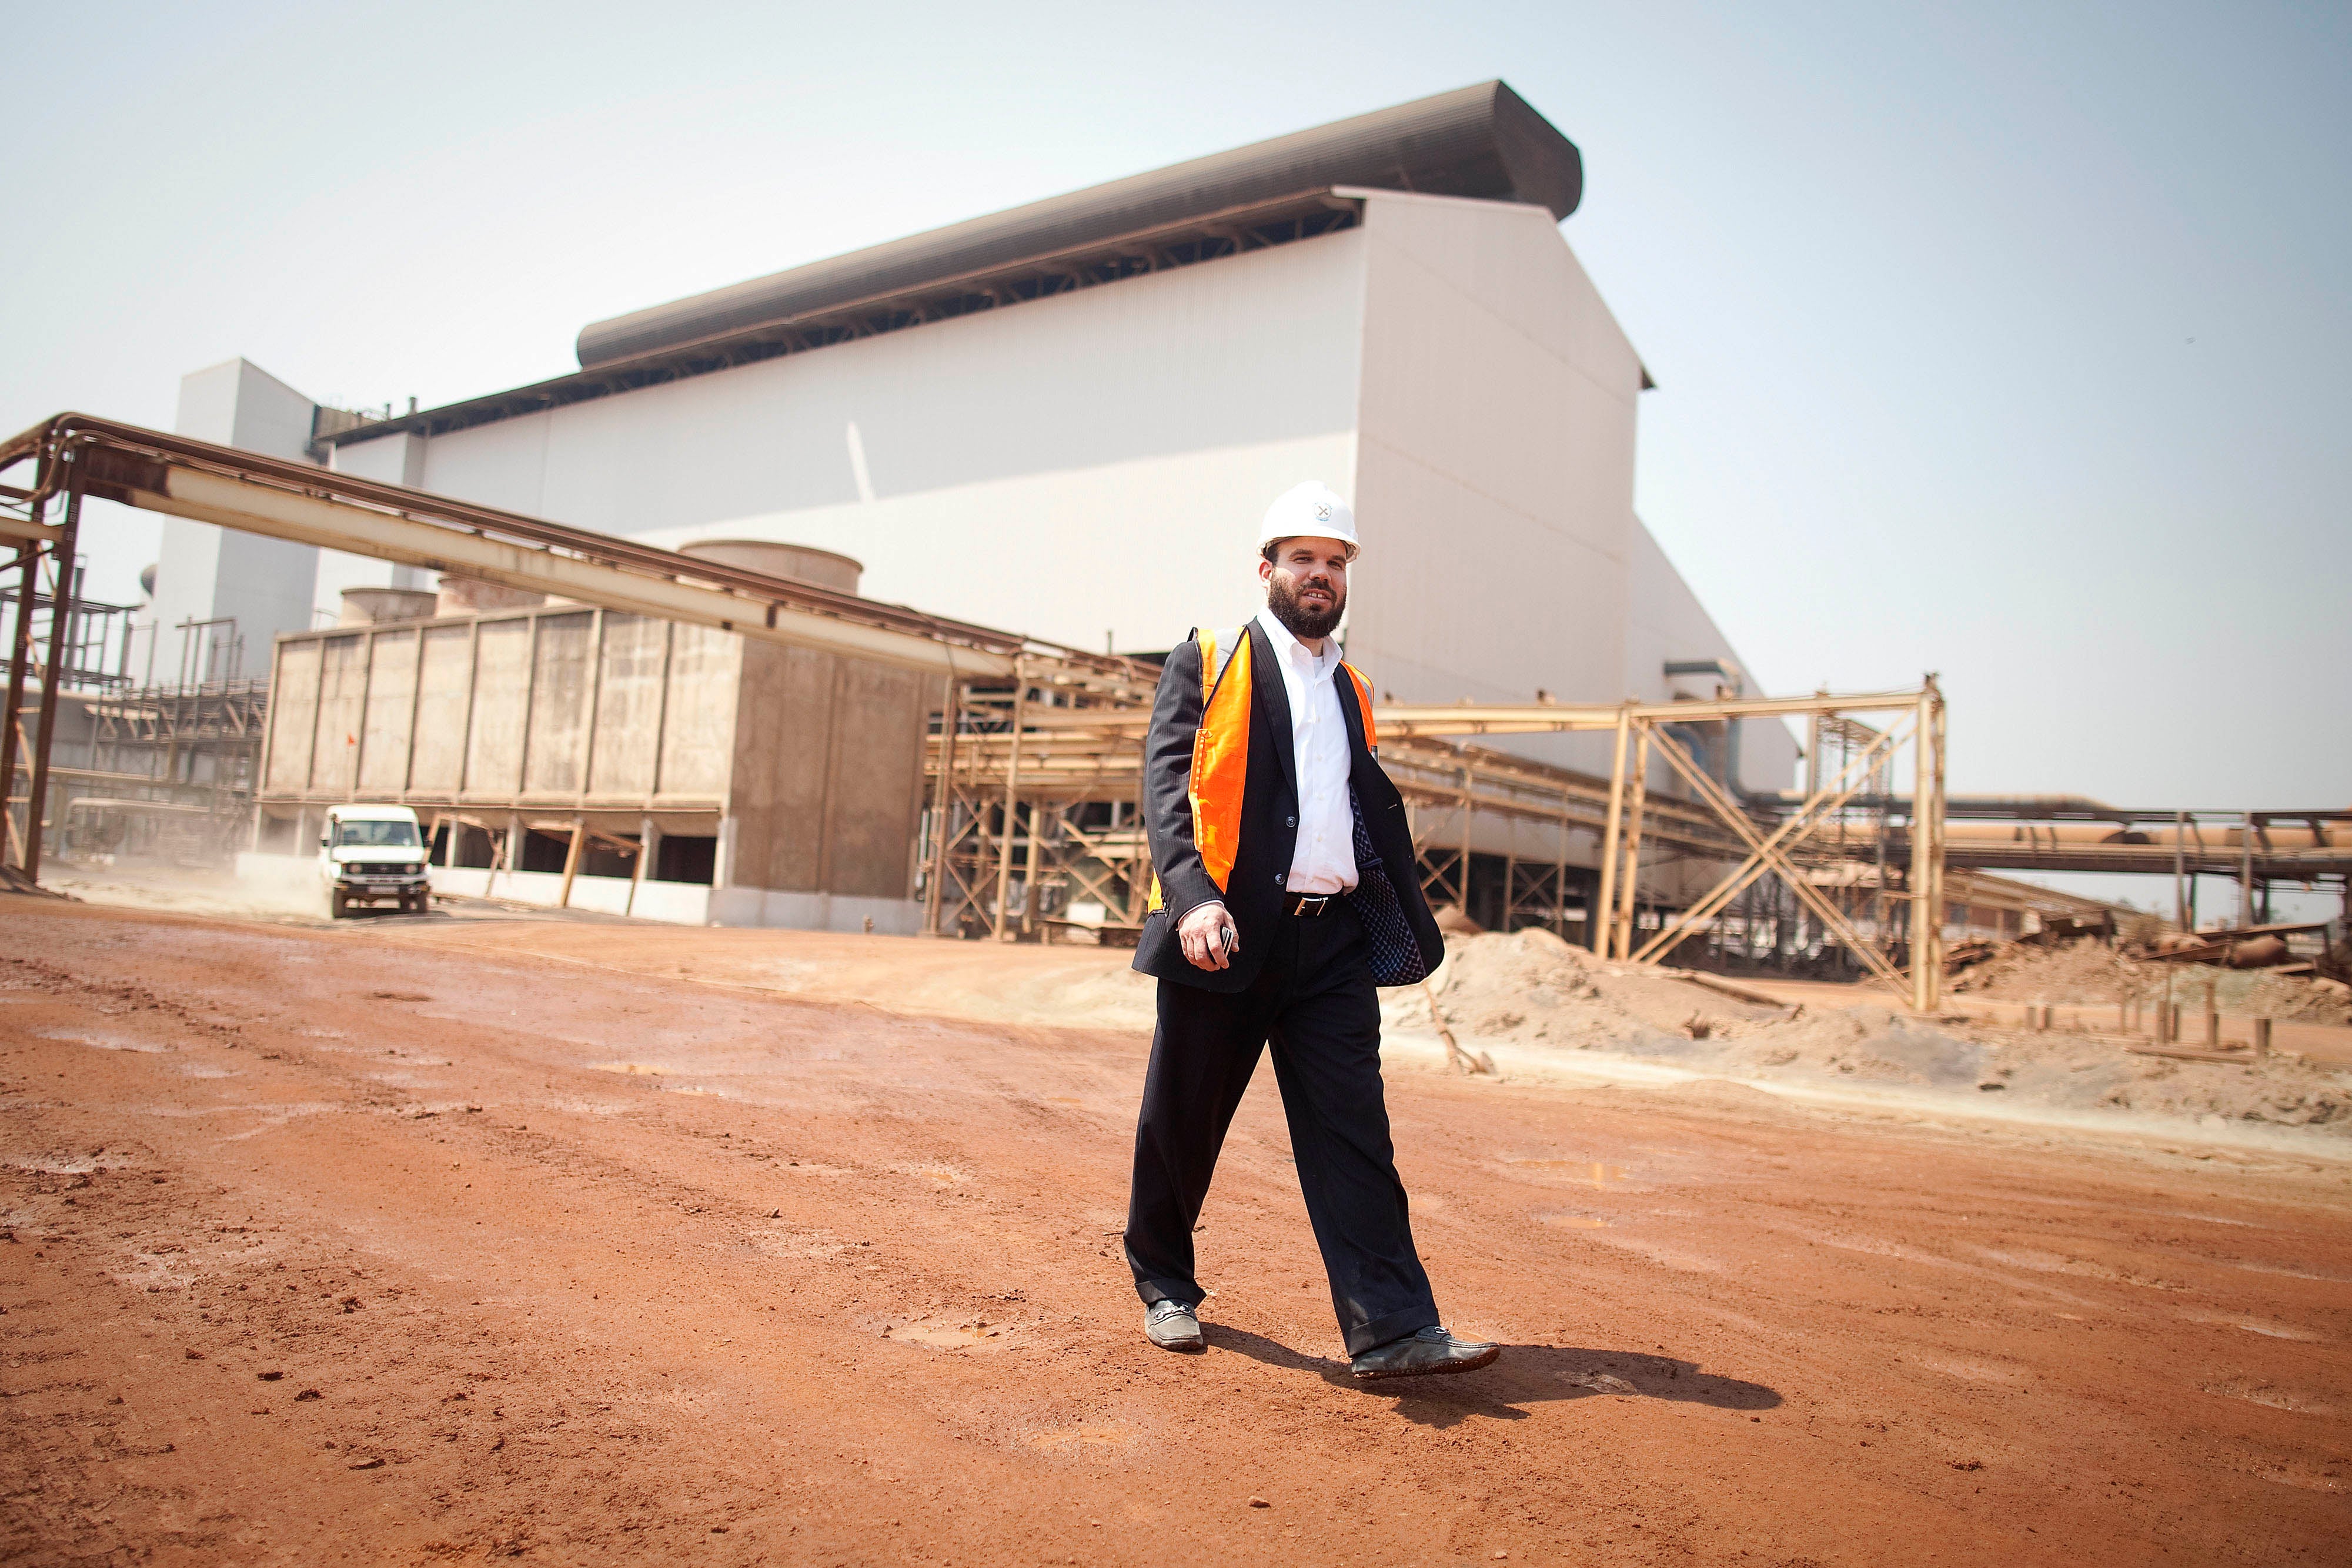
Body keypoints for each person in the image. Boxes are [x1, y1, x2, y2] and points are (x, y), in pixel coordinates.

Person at [1122, 480, 1499, 1381]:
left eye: (1334, 563)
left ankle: (1395, 1328)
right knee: (1185, 1118)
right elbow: (1168, 788)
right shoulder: (1211, 659)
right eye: (1304, 560)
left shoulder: (1353, 687)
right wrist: (1193, 899)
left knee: (1353, 1134)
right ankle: (1165, 1283)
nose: (1321, 575)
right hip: (1228, 931)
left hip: (1328, 947)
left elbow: (1351, 811)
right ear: (1268, 571)